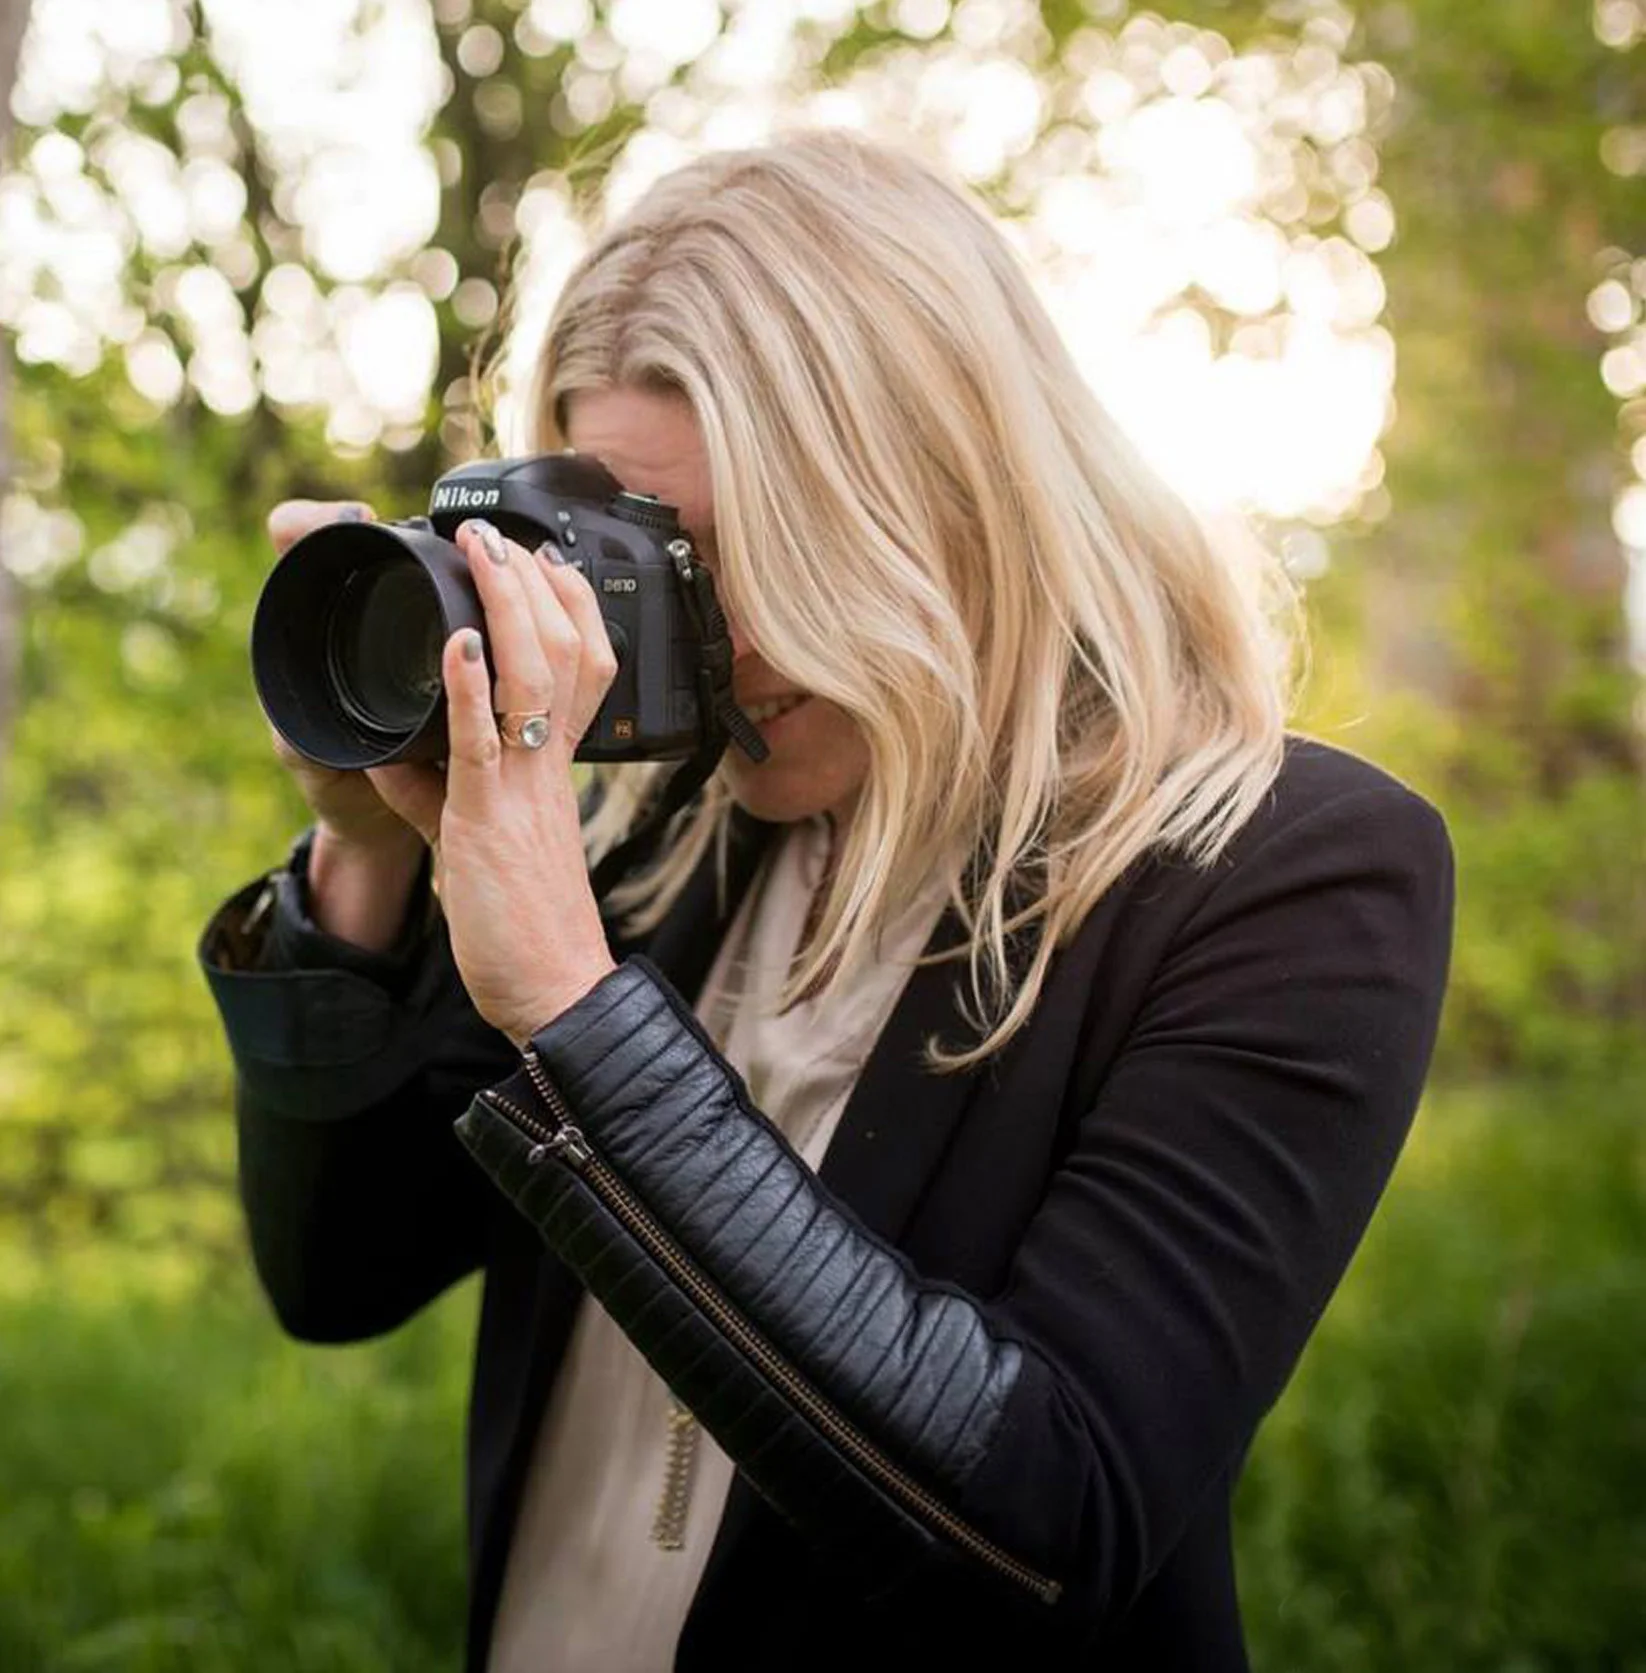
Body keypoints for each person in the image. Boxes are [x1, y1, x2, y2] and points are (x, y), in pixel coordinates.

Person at [198, 129, 1455, 1673]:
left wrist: (584, 1019)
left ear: (957, 488)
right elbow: (340, 1277)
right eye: (647, 570)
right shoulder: (663, 831)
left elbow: (1045, 1522)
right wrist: (371, 852)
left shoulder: (1279, 872)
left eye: (764, 554)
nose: (711, 644)